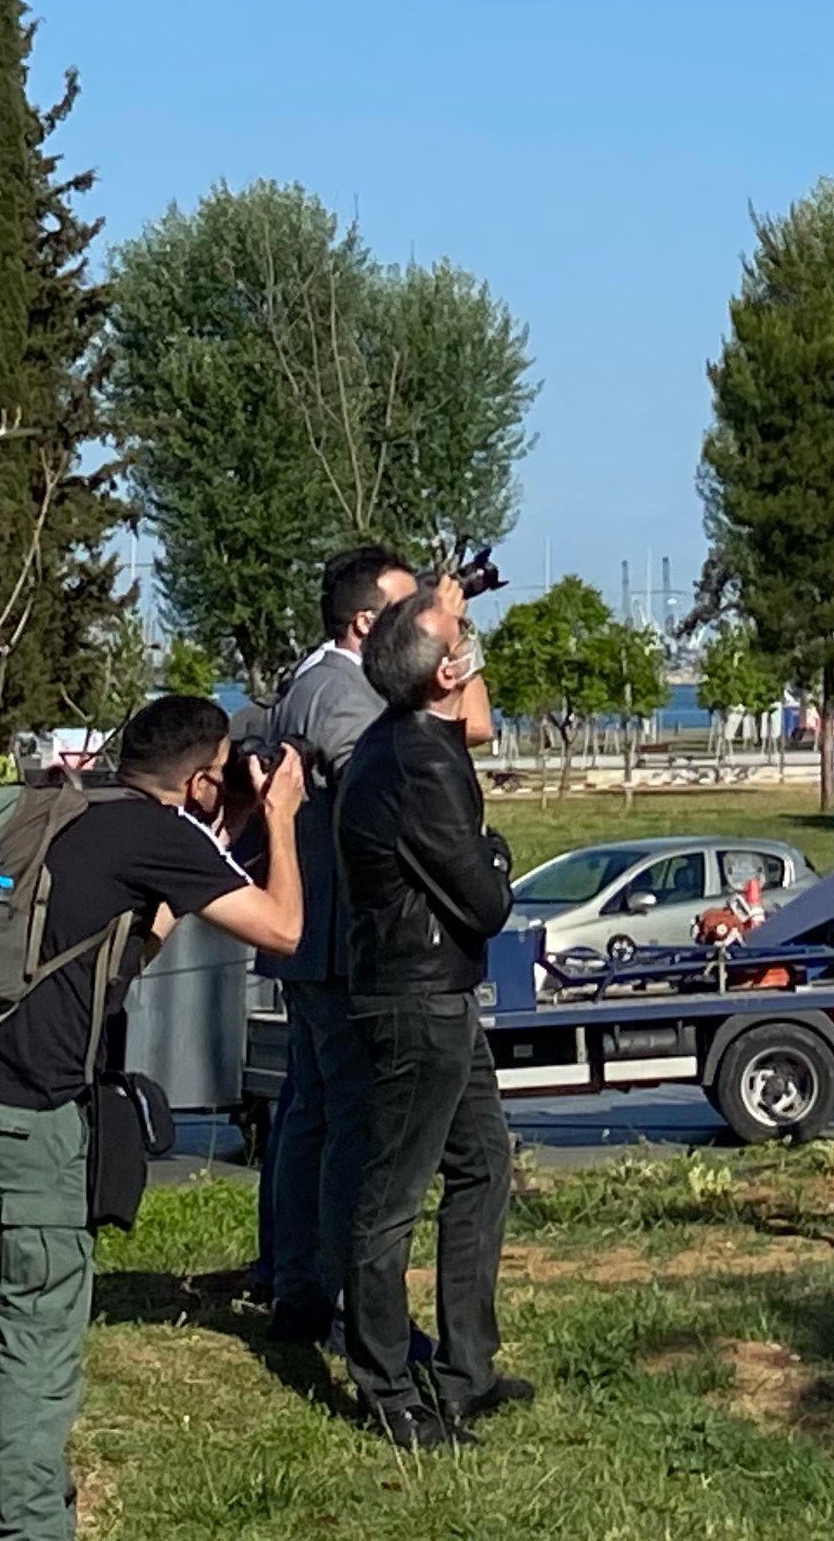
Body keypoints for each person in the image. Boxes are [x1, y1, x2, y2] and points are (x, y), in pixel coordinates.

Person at [0, 697, 303, 1541]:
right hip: (32, 1115)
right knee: (40, 1339)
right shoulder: (155, 835)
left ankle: (29, 1505)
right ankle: (27, 1529)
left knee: (4, 1318)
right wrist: (278, 817)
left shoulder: (64, 809)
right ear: (203, 776)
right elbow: (283, 926)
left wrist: (226, 824)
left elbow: (125, 951)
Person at [334, 587, 530, 1447]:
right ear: (448, 669)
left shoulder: (417, 740)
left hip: (434, 990)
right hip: (415, 998)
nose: (475, 640)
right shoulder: (414, 760)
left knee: (484, 1161)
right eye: (464, 634)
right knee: (392, 1198)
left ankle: (466, 1370)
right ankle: (386, 1386)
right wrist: (495, 856)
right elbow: (485, 902)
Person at [242, 544, 416, 1345]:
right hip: (338, 938)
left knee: (309, 1107)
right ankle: (340, 1290)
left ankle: (294, 1278)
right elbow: (373, 791)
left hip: (310, 938)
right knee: (350, 1113)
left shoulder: (312, 681)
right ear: (365, 621)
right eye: (407, 611)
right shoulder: (341, 693)